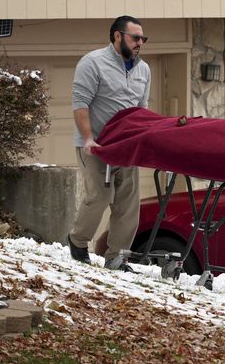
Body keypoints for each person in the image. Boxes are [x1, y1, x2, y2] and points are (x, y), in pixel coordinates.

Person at [66, 15, 151, 272]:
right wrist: (89, 138)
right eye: (135, 38)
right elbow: (80, 104)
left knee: (128, 203)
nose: (140, 43)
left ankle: (117, 256)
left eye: (142, 39)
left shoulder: (144, 69)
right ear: (117, 36)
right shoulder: (92, 63)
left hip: (126, 147)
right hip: (96, 146)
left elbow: (141, 109)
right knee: (99, 197)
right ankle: (77, 241)